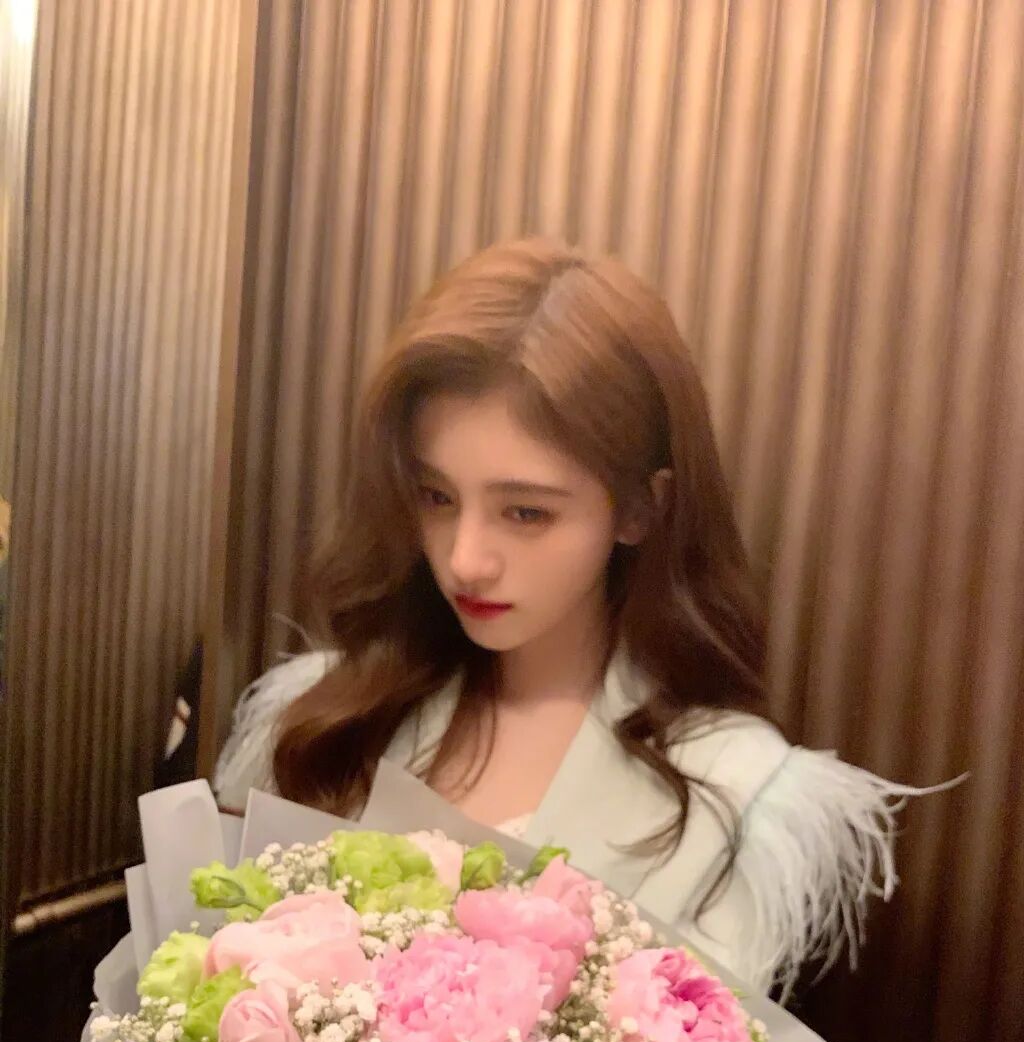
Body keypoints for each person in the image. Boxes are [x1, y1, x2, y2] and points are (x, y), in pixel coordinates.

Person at [212, 236, 954, 1003]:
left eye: (525, 512)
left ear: (639, 508)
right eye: (437, 497)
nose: (466, 558)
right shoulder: (325, 720)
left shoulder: (733, 796)